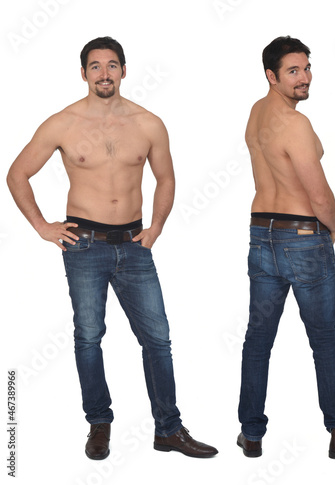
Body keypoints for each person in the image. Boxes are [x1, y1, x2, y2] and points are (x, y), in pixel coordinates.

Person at [6, 36, 217, 460]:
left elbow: (167, 178)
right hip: (83, 244)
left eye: (112, 65)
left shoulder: (148, 122)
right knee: (88, 337)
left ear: (124, 70)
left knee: (158, 338)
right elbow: (16, 174)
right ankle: (98, 424)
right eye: (96, 66)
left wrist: (157, 226)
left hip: (135, 243)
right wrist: (42, 226)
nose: (105, 73)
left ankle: (168, 430)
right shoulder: (62, 123)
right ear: (83, 73)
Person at [236, 36, 335, 460]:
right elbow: (319, 194)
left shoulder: (257, 113)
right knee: (324, 338)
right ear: (271, 76)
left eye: (307, 68)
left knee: (258, 339)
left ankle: (251, 434)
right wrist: (333, 229)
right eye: (293, 71)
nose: (305, 77)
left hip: (261, 233)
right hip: (303, 235)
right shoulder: (296, 124)